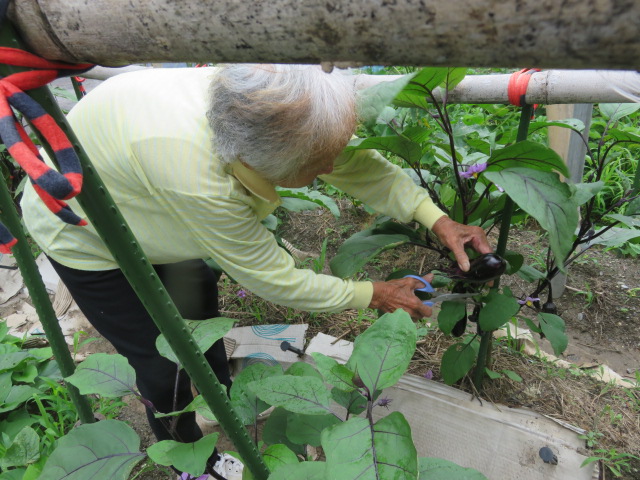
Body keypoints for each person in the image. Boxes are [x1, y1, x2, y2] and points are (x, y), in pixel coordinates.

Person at [21, 64, 491, 479]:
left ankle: (221, 404)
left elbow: (351, 165)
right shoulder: (197, 174)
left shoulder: (263, 105)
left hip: (148, 203)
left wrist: (438, 219)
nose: (331, 166)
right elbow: (272, 277)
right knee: (163, 362)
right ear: (267, 163)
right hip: (86, 234)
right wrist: (375, 293)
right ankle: (192, 457)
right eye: (318, 164)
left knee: (199, 321)